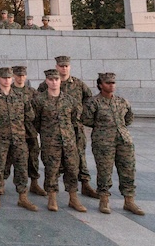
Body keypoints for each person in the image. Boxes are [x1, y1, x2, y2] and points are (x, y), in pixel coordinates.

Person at [82, 73, 145, 216]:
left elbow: (129, 118)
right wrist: (103, 128)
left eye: (113, 83)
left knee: (128, 169)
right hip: (103, 142)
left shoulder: (122, 102)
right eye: (108, 83)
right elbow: (86, 120)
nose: (111, 85)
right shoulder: (94, 102)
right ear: (100, 85)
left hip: (124, 140)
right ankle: (104, 199)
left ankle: (129, 200)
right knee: (104, 171)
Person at [38, 55, 97, 198]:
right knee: (54, 160)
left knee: (79, 156)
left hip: (74, 128)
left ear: (69, 67)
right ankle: (52, 189)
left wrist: (81, 117)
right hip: (54, 130)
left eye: (66, 66)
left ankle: (84, 184)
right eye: (61, 66)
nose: (64, 68)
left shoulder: (78, 84)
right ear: (57, 67)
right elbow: (38, 106)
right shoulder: (45, 85)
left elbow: (89, 101)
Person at [0, 67, 38, 211]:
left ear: (12, 79)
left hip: (19, 138)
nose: (6, 80)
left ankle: (23, 197)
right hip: (0, 139)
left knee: (21, 167)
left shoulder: (21, 97)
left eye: (9, 78)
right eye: (4, 78)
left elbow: (30, 115)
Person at [32, 69, 86, 213]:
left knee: (72, 170)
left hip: (69, 142)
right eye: (51, 80)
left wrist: (71, 137)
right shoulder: (39, 100)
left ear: (60, 81)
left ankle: (73, 198)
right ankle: (52, 198)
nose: (54, 82)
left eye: (56, 79)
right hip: (50, 142)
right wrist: (47, 133)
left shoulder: (69, 100)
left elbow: (75, 120)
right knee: (51, 170)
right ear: (46, 81)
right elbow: (35, 121)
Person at [11, 65, 45, 196]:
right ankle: (1, 183)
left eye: (23, 75)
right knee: (8, 158)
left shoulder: (32, 92)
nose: (20, 78)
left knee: (33, 157)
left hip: (30, 131)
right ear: (14, 76)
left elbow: (39, 110)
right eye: (18, 75)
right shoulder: (9, 91)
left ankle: (34, 183)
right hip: (13, 132)